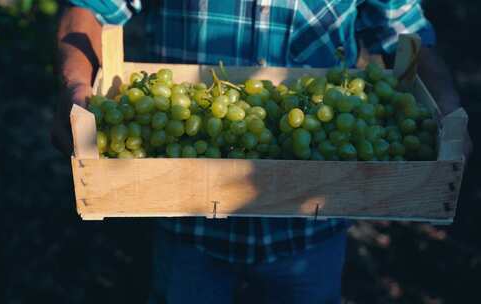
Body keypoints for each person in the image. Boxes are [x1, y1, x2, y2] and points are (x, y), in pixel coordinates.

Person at [51, 1, 472, 303]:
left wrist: (449, 111)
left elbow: (405, 29)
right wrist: (75, 87)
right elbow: (90, 8)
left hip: (311, 229)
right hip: (188, 224)